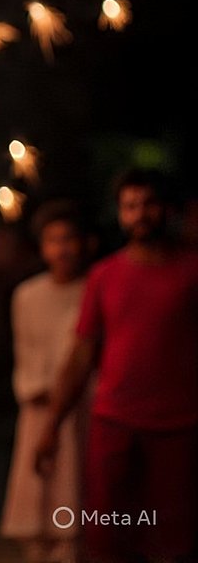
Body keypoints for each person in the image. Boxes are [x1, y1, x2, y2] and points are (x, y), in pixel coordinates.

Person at [36, 169, 198, 563]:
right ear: (120, 214)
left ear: (167, 209)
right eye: (130, 206)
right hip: (114, 426)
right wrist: (52, 424)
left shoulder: (192, 272)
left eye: (148, 204)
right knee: (109, 539)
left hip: (179, 430)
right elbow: (82, 353)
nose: (140, 214)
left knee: (173, 543)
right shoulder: (105, 275)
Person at [0, 201, 90, 563]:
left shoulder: (91, 290)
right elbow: (25, 351)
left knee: (73, 493)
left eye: (69, 238)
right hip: (37, 409)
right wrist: (36, 387)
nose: (62, 248)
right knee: (35, 499)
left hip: (79, 409)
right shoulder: (27, 295)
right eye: (53, 240)